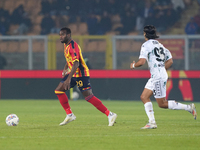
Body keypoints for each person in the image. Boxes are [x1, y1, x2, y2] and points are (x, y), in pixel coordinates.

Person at [130, 25, 197, 129]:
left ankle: (188, 107)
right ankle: (152, 122)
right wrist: (161, 69)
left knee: (162, 104)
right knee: (144, 97)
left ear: (145, 34)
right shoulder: (160, 45)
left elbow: (142, 62)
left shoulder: (146, 45)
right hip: (158, 75)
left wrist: (133, 65)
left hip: (157, 76)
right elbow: (170, 60)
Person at [55, 27, 117, 126]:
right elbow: (69, 59)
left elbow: (76, 63)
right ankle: (70, 114)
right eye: (60, 35)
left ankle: (110, 114)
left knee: (89, 97)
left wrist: (68, 78)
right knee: (58, 90)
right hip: (73, 73)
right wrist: (65, 67)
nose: (60, 37)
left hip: (81, 74)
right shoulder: (66, 45)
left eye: (62, 35)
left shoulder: (73, 46)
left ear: (68, 35)